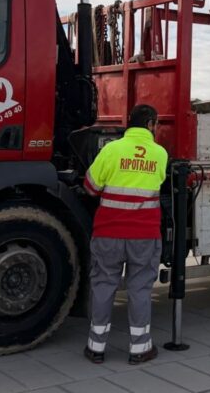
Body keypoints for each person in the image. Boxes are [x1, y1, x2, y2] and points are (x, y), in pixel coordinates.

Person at [82, 104, 168, 364]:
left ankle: (96, 347)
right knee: (140, 288)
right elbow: (160, 183)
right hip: (144, 234)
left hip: (108, 232)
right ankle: (140, 348)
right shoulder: (160, 154)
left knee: (103, 285)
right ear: (151, 124)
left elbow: (90, 187)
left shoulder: (111, 149)